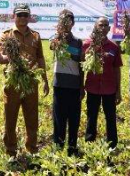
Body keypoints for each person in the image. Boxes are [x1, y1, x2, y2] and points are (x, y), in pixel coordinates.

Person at [0, 4, 49, 157]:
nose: (22, 18)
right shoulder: (6, 35)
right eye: (19, 15)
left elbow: (40, 58)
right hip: (12, 82)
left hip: (31, 82)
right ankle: (11, 151)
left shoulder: (35, 36)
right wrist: (13, 59)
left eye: (25, 15)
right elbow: (2, 58)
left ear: (29, 17)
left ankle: (32, 149)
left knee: (32, 117)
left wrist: (45, 79)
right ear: (14, 16)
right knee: (10, 117)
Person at [83, 17, 122, 149]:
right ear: (96, 27)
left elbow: (117, 70)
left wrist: (118, 91)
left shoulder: (114, 47)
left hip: (109, 89)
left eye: (106, 25)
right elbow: (81, 67)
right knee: (91, 116)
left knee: (110, 117)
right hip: (92, 88)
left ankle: (112, 144)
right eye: (101, 25)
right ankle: (89, 142)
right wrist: (80, 87)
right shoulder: (87, 45)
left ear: (109, 29)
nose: (103, 27)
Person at [50, 9, 84, 156]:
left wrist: (82, 86)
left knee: (74, 118)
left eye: (69, 21)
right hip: (60, 84)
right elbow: (53, 46)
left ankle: (72, 147)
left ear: (73, 23)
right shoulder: (55, 38)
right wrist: (60, 37)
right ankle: (58, 147)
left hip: (74, 85)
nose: (66, 23)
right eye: (63, 20)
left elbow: (79, 59)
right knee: (59, 118)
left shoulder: (78, 41)